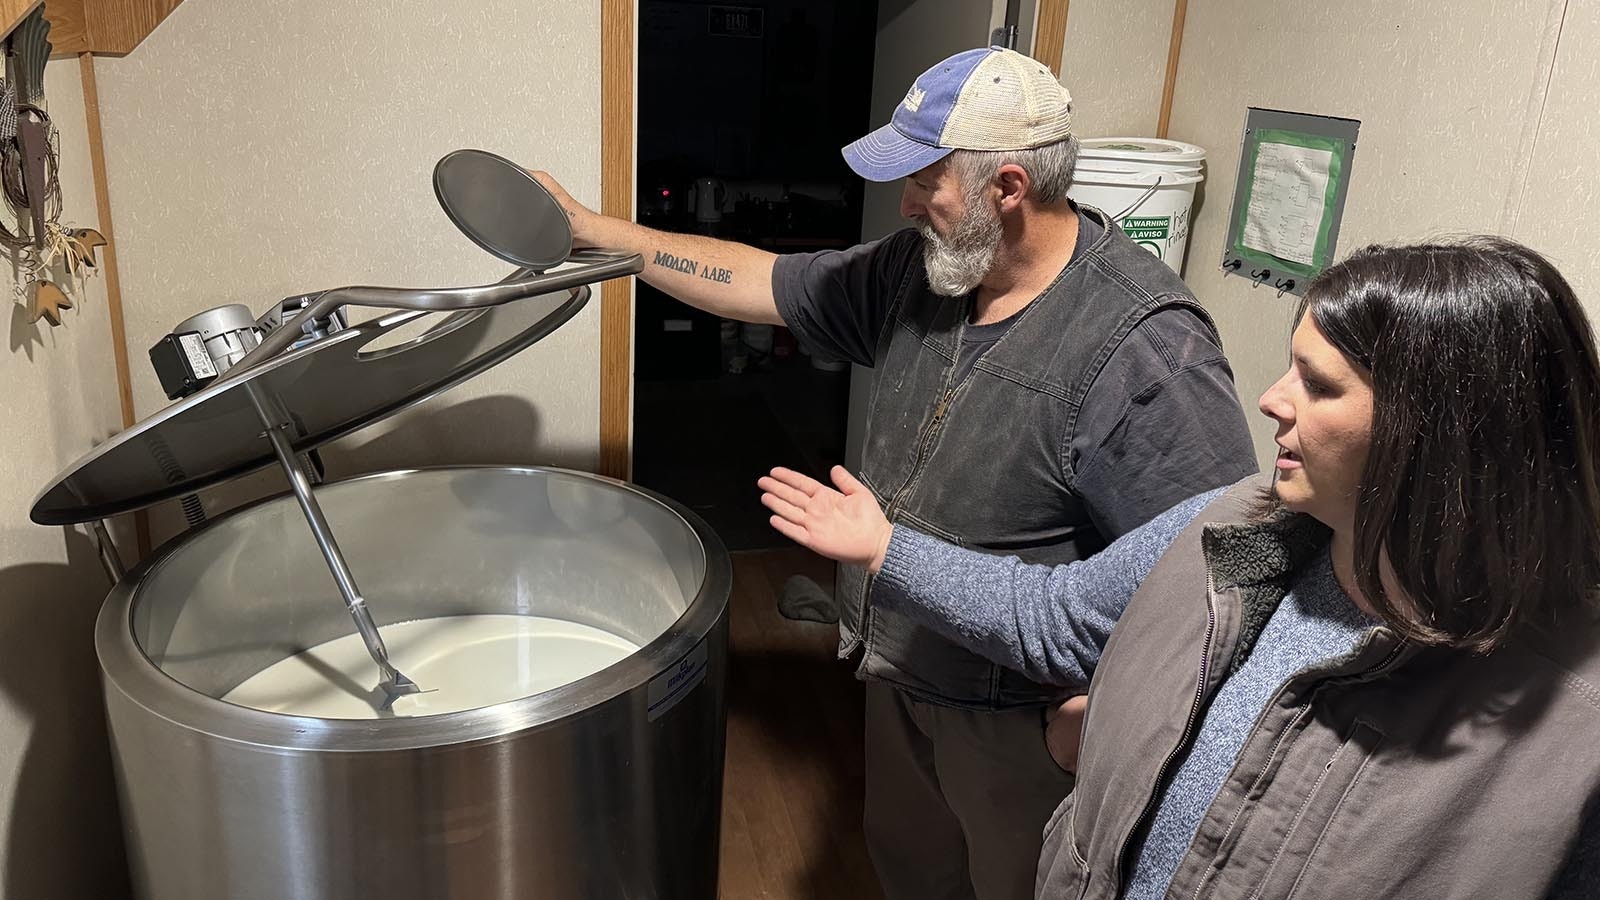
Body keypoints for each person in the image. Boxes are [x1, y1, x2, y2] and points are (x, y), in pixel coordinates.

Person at [534, 46, 1256, 899]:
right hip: (902, 672)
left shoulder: (1146, 352)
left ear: (1010, 187)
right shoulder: (921, 271)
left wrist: (1092, 716)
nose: (907, 205)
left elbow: (1226, 575)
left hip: (1022, 720)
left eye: (926, 183)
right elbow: (759, 280)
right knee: (912, 871)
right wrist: (597, 231)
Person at [760, 237, 1600, 899]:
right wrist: (886, 549)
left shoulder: (1568, 730)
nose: (1271, 399)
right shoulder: (1237, 520)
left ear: (1438, 434)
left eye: (1316, 382)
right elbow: (1059, 618)